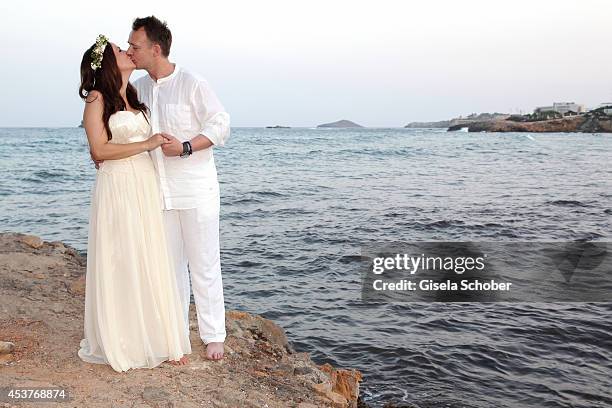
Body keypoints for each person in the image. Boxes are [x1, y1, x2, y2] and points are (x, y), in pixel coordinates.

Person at [77, 34, 191, 372]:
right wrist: (148, 144)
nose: (127, 50)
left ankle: (158, 338)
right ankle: (124, 338)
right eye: (118, 49)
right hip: (118, 185)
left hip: (143, 183)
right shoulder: (98, 97)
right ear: (108, 63)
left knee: (147, 253)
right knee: (122, 255)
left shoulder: (133, 94)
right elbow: (99, 150)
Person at [127, 16, 230, 360]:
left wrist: (185, 146)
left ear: (155, 49)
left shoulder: (191, 82)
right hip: (157, 192)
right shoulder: (138, 88)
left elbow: (221, 125)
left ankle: (213, 334)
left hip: (196, 190)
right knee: (168, 267)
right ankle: (174, 333)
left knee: (203, 263)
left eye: (135, 45)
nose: (130, 51)